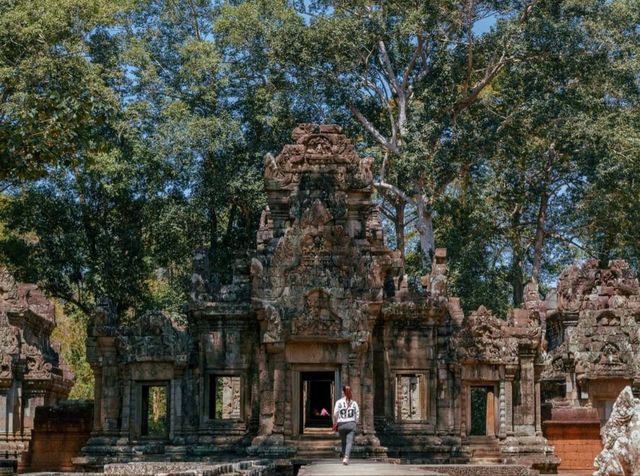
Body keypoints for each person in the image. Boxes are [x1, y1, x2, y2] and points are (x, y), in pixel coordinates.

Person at [333, 385, 359, 465]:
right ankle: (346, 457)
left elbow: (335, 413)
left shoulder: (338, 402)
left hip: (341, 424)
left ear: (342, 392)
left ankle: (344, 456)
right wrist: (355, 422)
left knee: (343, 442)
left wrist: (336, 422)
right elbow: (357, 414)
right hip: (351, 424)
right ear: (350, 392)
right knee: (349, 442)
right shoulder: (354, 403)